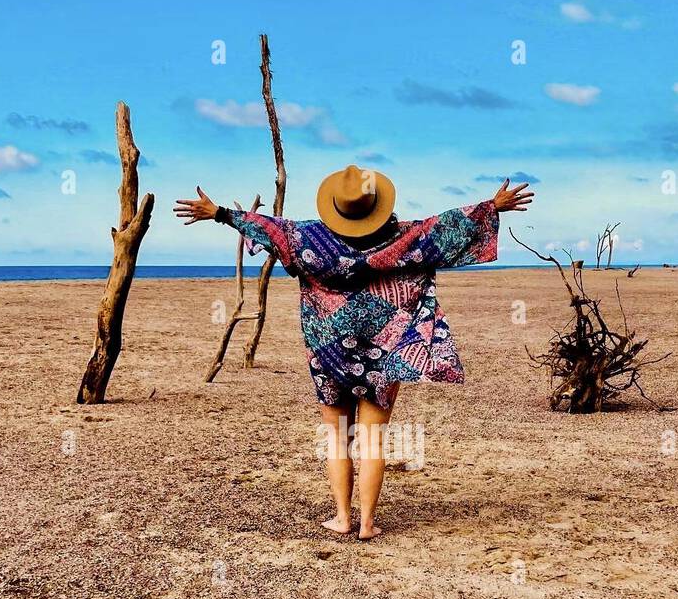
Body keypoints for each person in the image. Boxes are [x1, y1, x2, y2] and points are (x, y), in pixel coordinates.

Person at [175, 166, 533, 539]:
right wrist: (493, 206)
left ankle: (343, 517)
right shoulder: (403, 237)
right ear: (375, 205)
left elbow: (266, 227)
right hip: (386, 354)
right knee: (374, 440)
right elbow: (444, 227)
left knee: (337, 437)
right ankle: (366, 524)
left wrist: (218, 213)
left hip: (327, 355)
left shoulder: (307, 239)